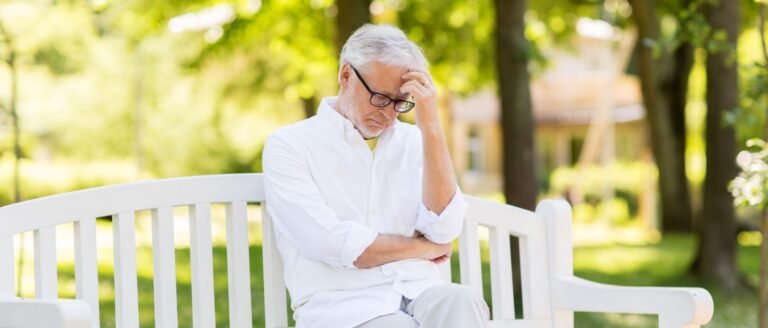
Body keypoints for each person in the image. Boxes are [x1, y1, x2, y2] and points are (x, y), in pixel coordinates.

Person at [263, 24, 490, 328]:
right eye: (381, 97)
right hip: (342, 305)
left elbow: (444, 229)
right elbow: (330, 242)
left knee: (462, 300)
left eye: (400, 102)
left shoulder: (414, 141)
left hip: (418, 290)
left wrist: (431, 126)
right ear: (346, 76)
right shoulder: (290, 145)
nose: (389, 114)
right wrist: (424, 249)